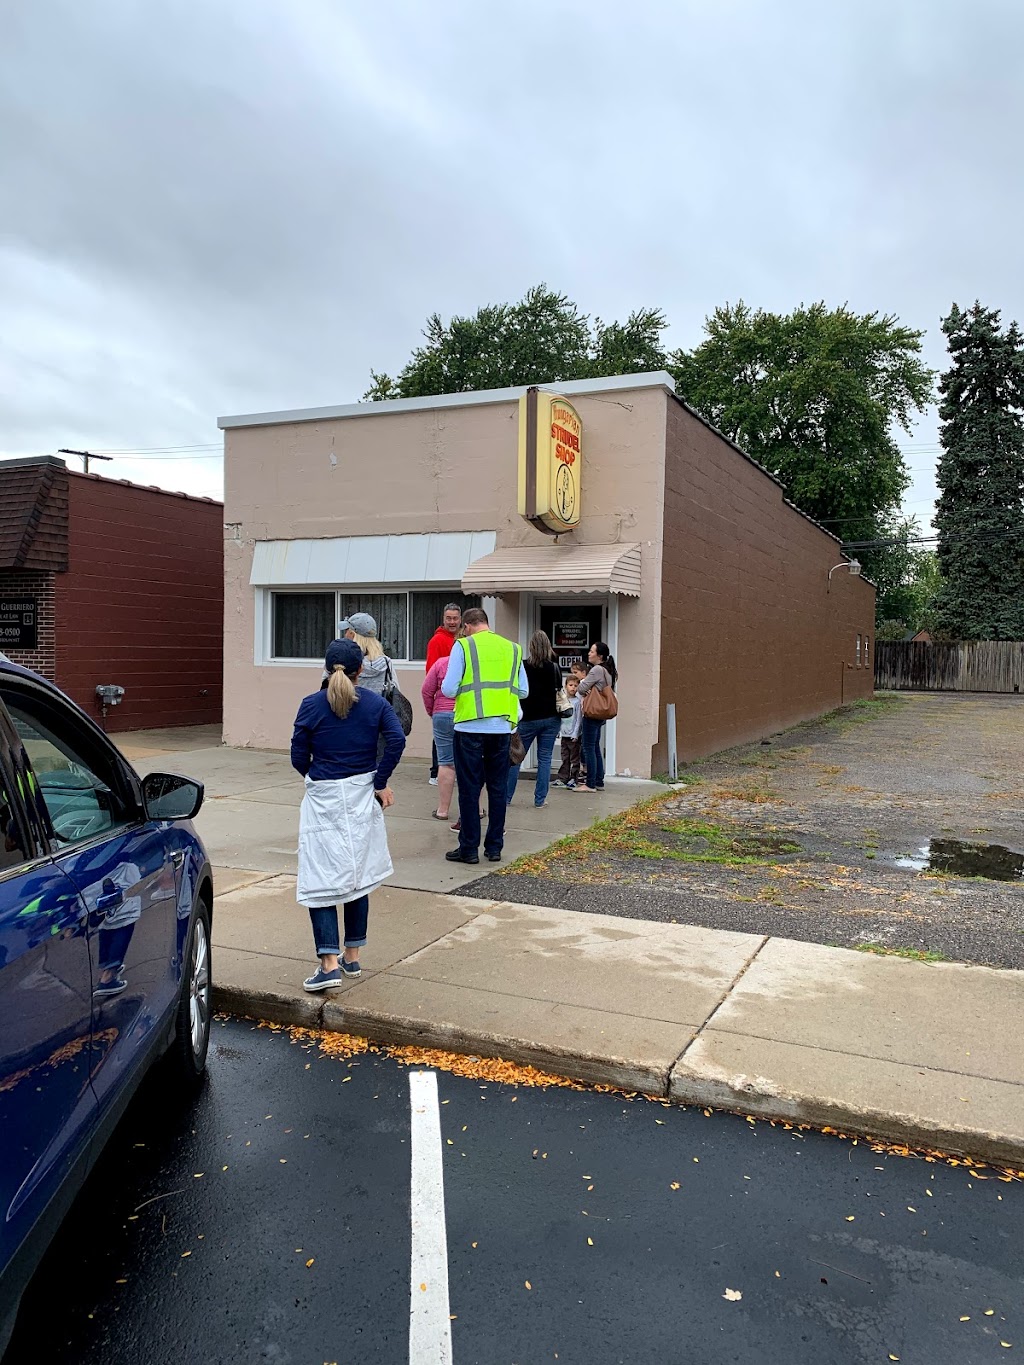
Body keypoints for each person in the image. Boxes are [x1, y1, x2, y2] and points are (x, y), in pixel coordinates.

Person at [291, 638, 406, 990]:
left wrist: (314, 775)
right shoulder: (373, 703)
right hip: (361, 793)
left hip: (324, 795)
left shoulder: (311, 704)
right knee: (359, 873)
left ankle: (328, 965)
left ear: (327, 669)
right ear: (361, 670)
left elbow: (298, 755)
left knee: (321, 878)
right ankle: (352, 958)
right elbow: (397, 739)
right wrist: (379, 779)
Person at [441, 606, 528, 864]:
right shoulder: (512, 648)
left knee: (469, 789)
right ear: (486, 623)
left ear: (467, 626)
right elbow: (522, 691)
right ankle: (494, 848)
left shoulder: (464, 647)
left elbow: (448, 688)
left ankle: (468, 849)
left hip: (469, 727)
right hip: (501, 728)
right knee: (498, 788)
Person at [506, 630, 563, 809]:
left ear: (531, 647)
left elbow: (517, 689)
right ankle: (540, 800)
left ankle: (506, 798)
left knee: (516, 757)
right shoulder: (554, 667)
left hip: (527, 718)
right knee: (545, 759)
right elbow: (558, 689)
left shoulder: (523, 666)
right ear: (548, 647)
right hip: (551, 717)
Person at [425, 603, 463, 785]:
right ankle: (435, 772)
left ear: (461, 619)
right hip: (444, 699)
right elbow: (431, 673)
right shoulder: (438, 641)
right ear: (443, 619)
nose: (452, 622)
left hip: (460, 701)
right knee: (441, 739)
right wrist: (432, 704)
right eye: (449, 618)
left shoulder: (461, 640)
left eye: (455, 618)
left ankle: (447, 771)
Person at [575, 641, 617, 794]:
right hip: (600, 713)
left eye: (592, 651)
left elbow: (580, 688)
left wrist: (583, 682)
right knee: (595, 747)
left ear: (599, 656)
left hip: (592, 713)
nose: (589, 653)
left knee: (588, 747)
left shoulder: (597, 670)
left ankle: (590, 783)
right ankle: (599, 780)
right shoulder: (606, 670)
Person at [421, 654, 456, 822]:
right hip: (469, 716)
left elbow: (426, 690)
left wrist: (433, 711)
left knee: (446, 762)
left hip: (442, 714)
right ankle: (476, 809)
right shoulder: (476, 664)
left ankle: (443, 810)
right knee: (472, 762)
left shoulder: (441, 663)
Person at [339, 611, 391, 695]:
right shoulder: (386, 662)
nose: (345, 635)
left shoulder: (341, 660)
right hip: (378, 707)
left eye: (347, 631)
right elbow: (394, 690)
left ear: (353, 635)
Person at [552, 674, 583, 788]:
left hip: (573, 735)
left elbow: (579, 719)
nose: (573, 688)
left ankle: (573, 778)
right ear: (565, 686)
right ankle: (562, 778)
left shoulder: (577, 702)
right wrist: (558, 731)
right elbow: (560, 718)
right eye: (570, 685)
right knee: (565, 757)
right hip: (564, 734)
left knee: (574, 758)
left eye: (575, 685)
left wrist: (576, 733)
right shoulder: (562, 701)